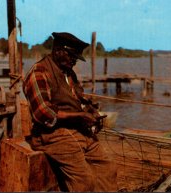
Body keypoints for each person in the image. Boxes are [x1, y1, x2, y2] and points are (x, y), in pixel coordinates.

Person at [23, 32, 117, 192]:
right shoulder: (39, 72)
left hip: (77, 131)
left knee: (108, 168)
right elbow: (43, 112)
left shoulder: (69, 73)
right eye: (71, 56)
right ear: (58, 50)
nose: (74, 61)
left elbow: (78, 100)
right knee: (85, 180)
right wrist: (80, 116)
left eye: (76, 57)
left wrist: (90, 110)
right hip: (51, 135)